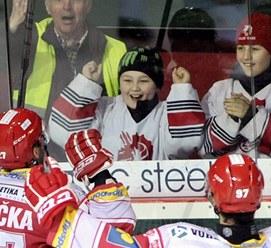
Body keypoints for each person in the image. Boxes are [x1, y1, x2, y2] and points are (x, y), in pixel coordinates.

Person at [24, 153, 271, 247]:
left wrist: (60, 215)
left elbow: (115, 245)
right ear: (260, 198)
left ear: (211, 197)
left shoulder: (181, 238)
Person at [0, 108, 135, 247]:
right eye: (42, 139)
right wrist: (100, 176)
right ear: (35, 151)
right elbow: (113, 235)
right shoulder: (53, 192)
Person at [49, 46, 206, 160]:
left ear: (157, 85)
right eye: (127, 80)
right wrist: (86, 84)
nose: (134, 88)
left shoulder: (168, 113)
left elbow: (184, 143)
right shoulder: (105, 109)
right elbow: (64, 134)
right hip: (110, 198)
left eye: (144, 81)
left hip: (157, 199)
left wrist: (181, 90)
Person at [200, 13, 271, 158]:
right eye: (240, 48)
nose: (245, 57)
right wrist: (230, 119)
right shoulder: (218, 90)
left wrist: (250, 116)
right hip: (228, 178)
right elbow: (203, 148)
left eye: (255, 49)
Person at [8, 0, 126, 119]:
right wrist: (11, 29)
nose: (67, 6)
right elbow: (6, 61)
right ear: (47, 7)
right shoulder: (28, 40)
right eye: (59, 0)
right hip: (36, 135)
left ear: (88, 5)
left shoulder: (116, 50)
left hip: (92, 136)